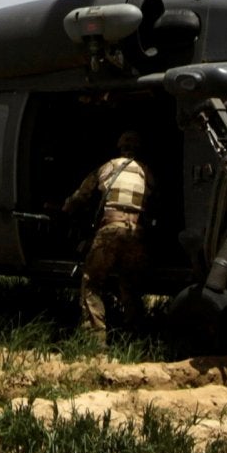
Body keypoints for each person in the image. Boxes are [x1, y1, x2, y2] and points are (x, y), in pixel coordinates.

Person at [62, 130, 150, 339]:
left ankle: (96, 339)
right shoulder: (145, 171)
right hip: (135, 232)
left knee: (91, 281)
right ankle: (135, 336)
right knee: (129, 284)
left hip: (111, 229)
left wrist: (66, 208)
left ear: (119, 147)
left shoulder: (108, 167)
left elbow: (81, 196)